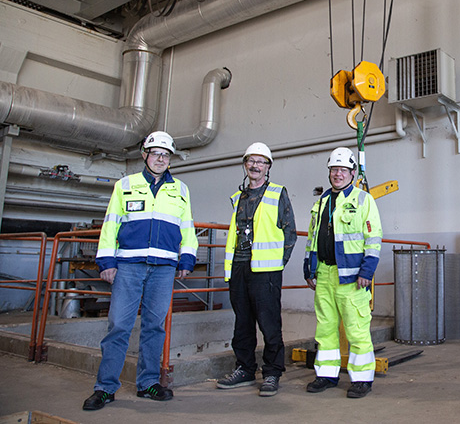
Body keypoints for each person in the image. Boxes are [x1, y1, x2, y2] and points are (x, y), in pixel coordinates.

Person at [83, 131, 198, 411]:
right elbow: (111, 224)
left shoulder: (181, 189)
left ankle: (148, 383)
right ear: (145, 155)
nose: (161, 159)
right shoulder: (125, 185)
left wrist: (187, 258)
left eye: (166, 155)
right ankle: (105, 387)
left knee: (154, 326)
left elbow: (187, 227)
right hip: (129, 265)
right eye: (156, 153)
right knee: (119, 325)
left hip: (164, 268)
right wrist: (106, 261)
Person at [216, 143, 296, 397]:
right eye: (251, 160)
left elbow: (290, 232)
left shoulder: (277, 193)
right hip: (239, 267)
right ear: (245, 164)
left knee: (269, 323)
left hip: (266, 271)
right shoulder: (238, 197)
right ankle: (245, 368)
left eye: (261, 162)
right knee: (242, 323)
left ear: (268, 167)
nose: (255, 166)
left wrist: (277, 263)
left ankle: (272, 372)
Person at [303, 147, 382, 399]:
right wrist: (309, 267)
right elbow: (312, 238)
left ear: (352, 173)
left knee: (356, 329)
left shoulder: (363, 200)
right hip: (324, 274)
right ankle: (326, 375)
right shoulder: (321, 202)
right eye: (334, 169)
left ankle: (362, 379)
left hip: (353, 277)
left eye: (343, 170)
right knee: (325, 328)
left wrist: (367, 271)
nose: (338, 174)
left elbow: (373, 239)